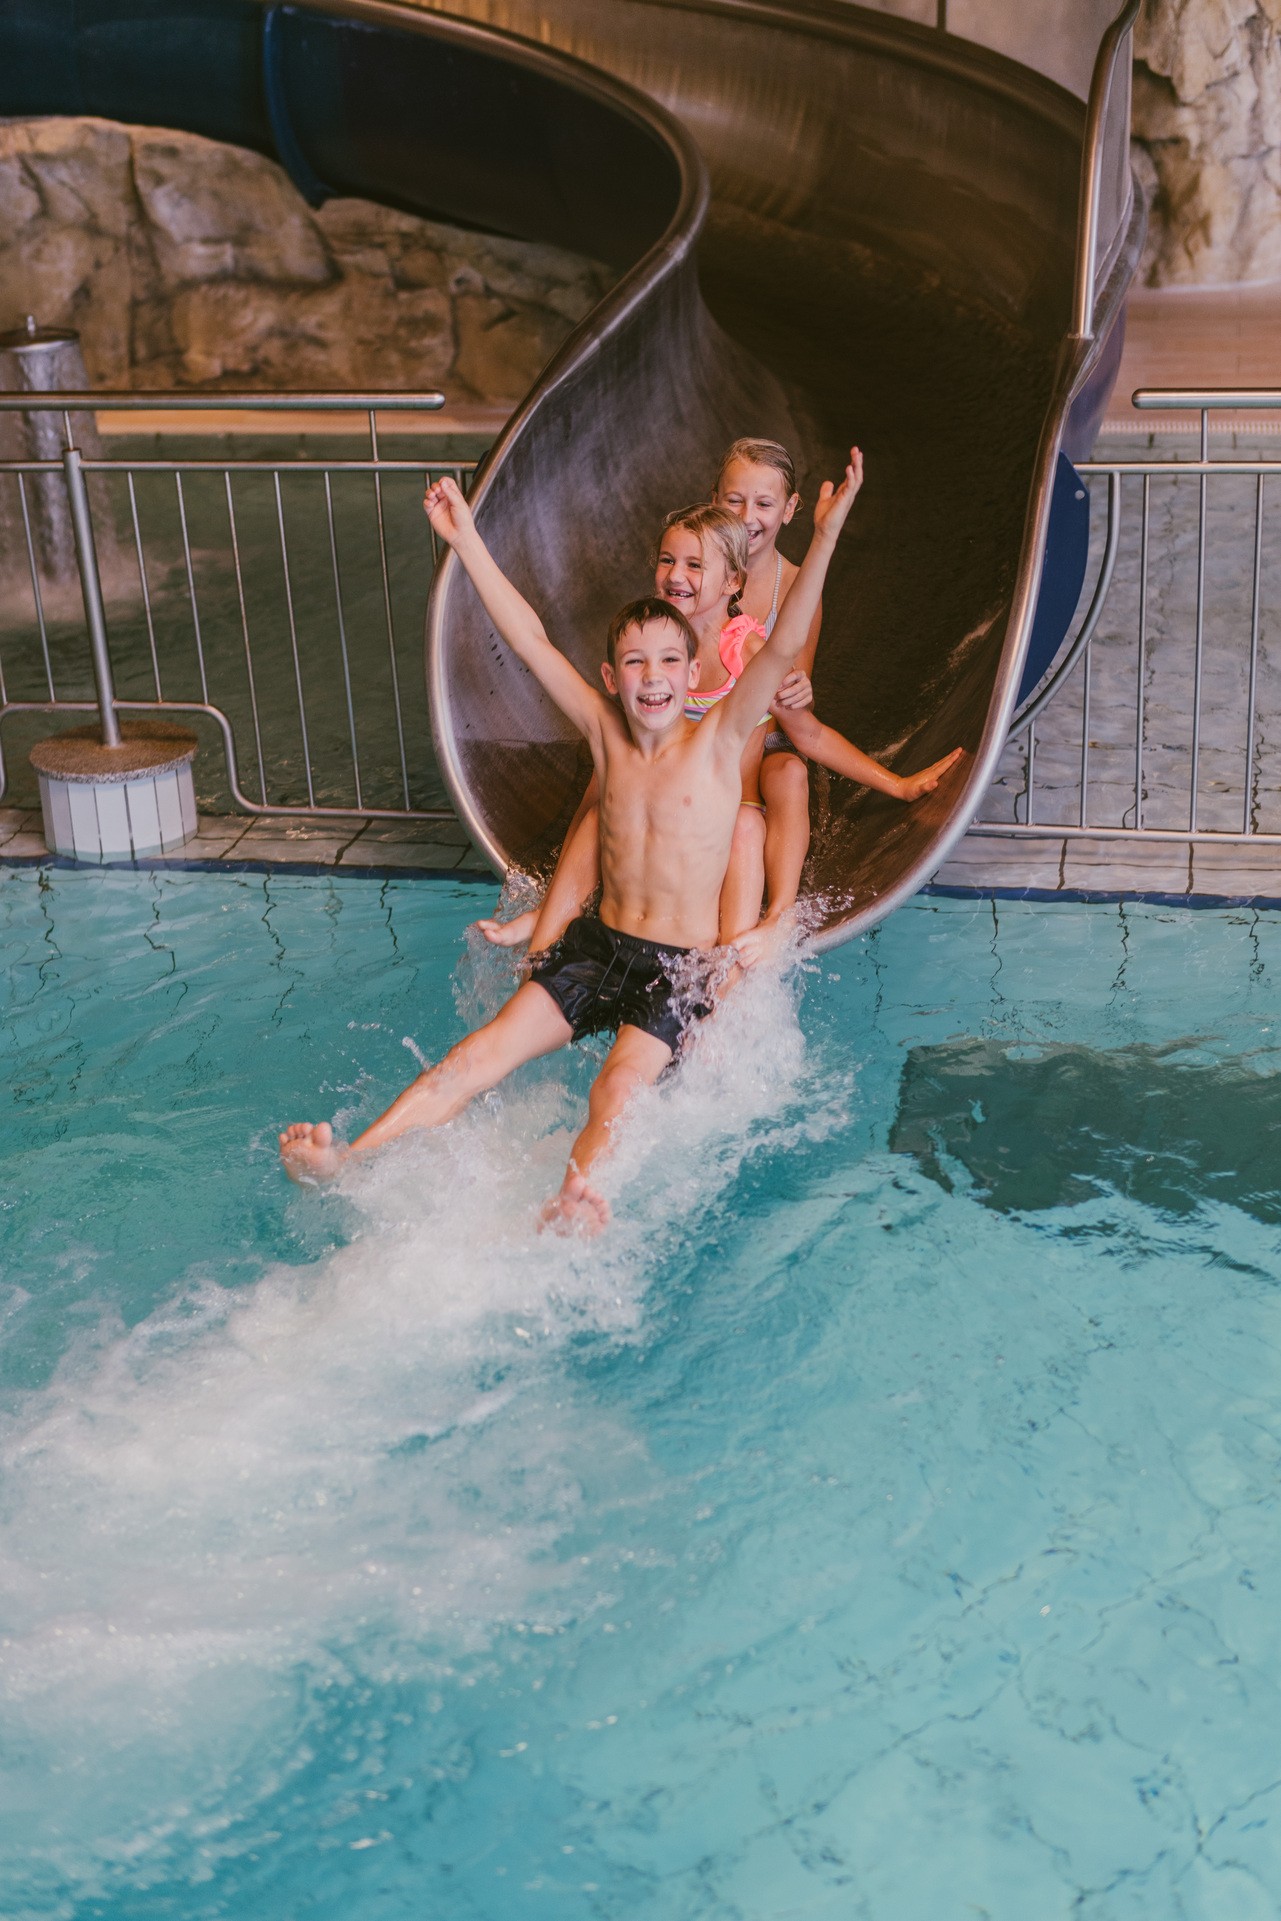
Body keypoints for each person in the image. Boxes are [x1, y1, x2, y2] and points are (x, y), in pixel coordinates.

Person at [278, 453, 864, 1233]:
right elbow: (526, 638)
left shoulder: (720, 741)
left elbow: (786, 639)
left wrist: (823, 539)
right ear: (610, 675)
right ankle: (345, 1164)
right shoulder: (604, 734)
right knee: (471, 1059)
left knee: (617, 1089)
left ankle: (576, 1198)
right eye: (633, 663)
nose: (651, 677)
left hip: (675, 971)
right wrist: (467, 543)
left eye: (666, 662)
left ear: (694, 672)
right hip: (597, 947)